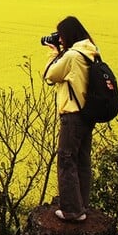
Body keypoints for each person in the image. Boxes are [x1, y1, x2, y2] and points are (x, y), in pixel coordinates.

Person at [43, 16, 98, 222]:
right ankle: (82, 205)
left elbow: (49, 75)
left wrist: (53, 53)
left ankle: (72, 211)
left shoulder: (73, 56)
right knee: (82, 160)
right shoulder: (91, 51)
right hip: (87, 116)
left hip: (72, 116)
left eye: (61, 35)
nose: (60, 39)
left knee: (66, 161)